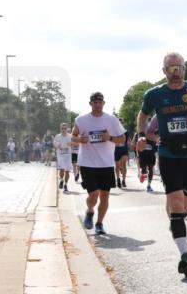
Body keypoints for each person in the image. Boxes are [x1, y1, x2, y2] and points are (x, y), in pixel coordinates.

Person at [138, 53, 187, 277]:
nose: (175, 73)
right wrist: (141, 135)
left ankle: (176, 219)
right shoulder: (155, 94)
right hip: (168, 154)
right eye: (171, 69)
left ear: (184, 70)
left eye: (179, 68)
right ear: (164, 71)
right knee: (177, 204)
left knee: (185, 207)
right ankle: (185, 256)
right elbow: (143, 115)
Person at [73, 92, 127, 236]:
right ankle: (90, 211)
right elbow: (73, 137)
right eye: (94, 102)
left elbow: (122, 140)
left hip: (106, 163)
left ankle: (99, 223)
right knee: (93, 194)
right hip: (87, 163)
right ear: (90, 104)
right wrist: (79, 140)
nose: (97, 105)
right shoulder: (81, 120)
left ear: (103, 103)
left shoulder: (112, 120)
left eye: (100, 102)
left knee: (105, 196)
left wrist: (108, 137)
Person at [53, 123, 74, 192]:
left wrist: (71, 144)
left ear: (67, 129)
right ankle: (61, 180)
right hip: (60, 155)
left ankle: (65, 184)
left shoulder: (70, 136)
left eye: (65, 128)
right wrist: (57, 146)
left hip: (68, 156)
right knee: (62, 169)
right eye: (62, 128)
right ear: (60, 129)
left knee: (67, 171)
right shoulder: (57, 136)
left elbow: (75, 143)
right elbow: (54, 144)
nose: (64, 130)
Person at [113, 119, 130, 188]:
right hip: (116, 150)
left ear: (123, 124)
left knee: (124, 165)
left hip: (124, 150)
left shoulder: (126, 132)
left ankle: (123, 180)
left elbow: (125, 141)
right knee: (117, 166)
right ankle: (118, 179)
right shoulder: (113, 132)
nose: (120, 124)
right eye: (118, 123)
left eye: (121, 123)